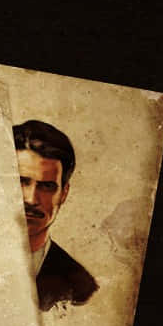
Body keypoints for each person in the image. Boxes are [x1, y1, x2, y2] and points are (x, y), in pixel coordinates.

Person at [16, 119, 97, 311]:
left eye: (46, 186)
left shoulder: (80, 290)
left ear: (64, 194)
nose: (31, 199)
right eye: (21, 181)